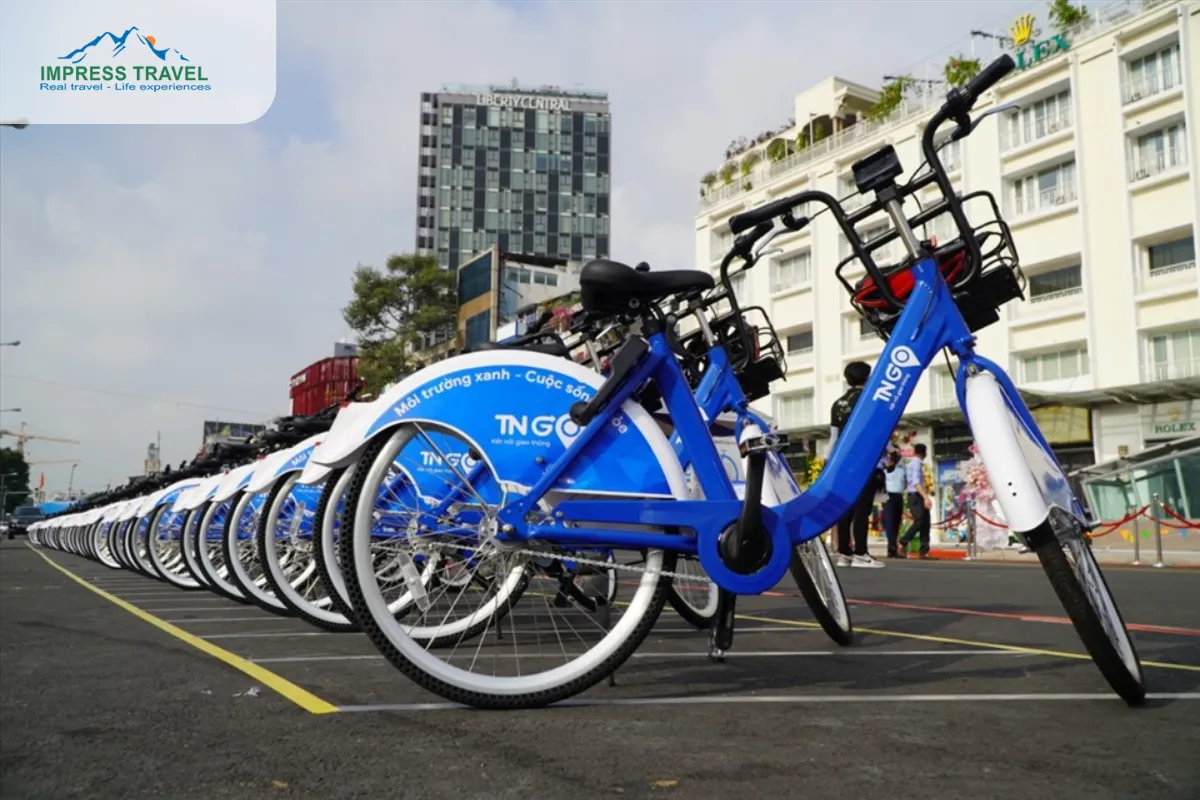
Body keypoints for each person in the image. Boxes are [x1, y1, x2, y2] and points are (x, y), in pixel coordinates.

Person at [829, 361, 885, 568]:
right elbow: (875, 431)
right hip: (864, 459)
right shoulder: (869, 399)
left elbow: (833, 437)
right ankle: (861, 552)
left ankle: (844, 553)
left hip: (842, 461)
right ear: (866, 377)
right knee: (862, 508)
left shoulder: (838, 403)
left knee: (845, 508)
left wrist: (830, 462)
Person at [899, 443, 935, 559]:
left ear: (914, 452)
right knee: (920, 520)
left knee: (925, 522)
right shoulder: (916, 464)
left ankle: (924, 551)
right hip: (916, 495)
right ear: (925, 453)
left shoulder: (911, 464)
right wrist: (925, 497)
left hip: (915, 495)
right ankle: (903, 541)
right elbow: (916, 483)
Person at [882, 449, 906, 557]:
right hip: (888, 497)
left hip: (898, 496)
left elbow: (904, 482)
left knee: (896, 522)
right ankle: (891, 548)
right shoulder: (884, 469)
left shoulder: (901, 468)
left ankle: (893, 547)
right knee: (890, 523)